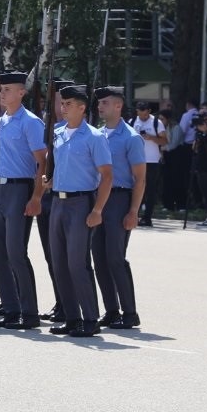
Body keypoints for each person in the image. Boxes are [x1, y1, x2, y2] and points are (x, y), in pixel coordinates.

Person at [44, 86, 111, 338]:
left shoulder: (94, 137)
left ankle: (90, 318)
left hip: (81, 204)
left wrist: (97, 209)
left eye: (69, 103)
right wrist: (49, 180)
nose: (63, 107)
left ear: (82, 108)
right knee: (59, 263)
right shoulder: (58, 132)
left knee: (77, 263)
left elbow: (107, 177)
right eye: (62, 103)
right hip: (57, 203)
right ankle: (72, 318)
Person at [0, 72, 47, 331]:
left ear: (22, 92)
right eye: (1, 89)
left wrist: (36, 196)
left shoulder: (30, 122)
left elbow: (42, 161)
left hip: (19, 189)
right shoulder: (0, 121)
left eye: (8, 89)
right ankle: (10, 308)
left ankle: (29, 312)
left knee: (16, 253)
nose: (2, 93)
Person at [93, 87, 144, 329]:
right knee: (99, 259)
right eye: (99, 103)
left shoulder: (131, 137)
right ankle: (111, 310)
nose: (100, 106)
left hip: (119, 199)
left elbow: (140, 178)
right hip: (98, 199)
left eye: (105, 102)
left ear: (118, 106)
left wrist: (133, 211)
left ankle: (130, 312)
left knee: (115, 258)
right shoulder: (97, 135)